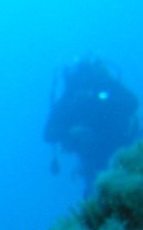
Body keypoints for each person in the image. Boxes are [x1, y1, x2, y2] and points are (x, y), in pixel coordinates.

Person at [44, 57, 140, 191]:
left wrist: (102, 97)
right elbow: (49, 134)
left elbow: (132, 102)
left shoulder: (107, 89)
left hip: (125, 147)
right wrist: (71, 132)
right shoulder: (68, 103)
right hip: (95, 160)